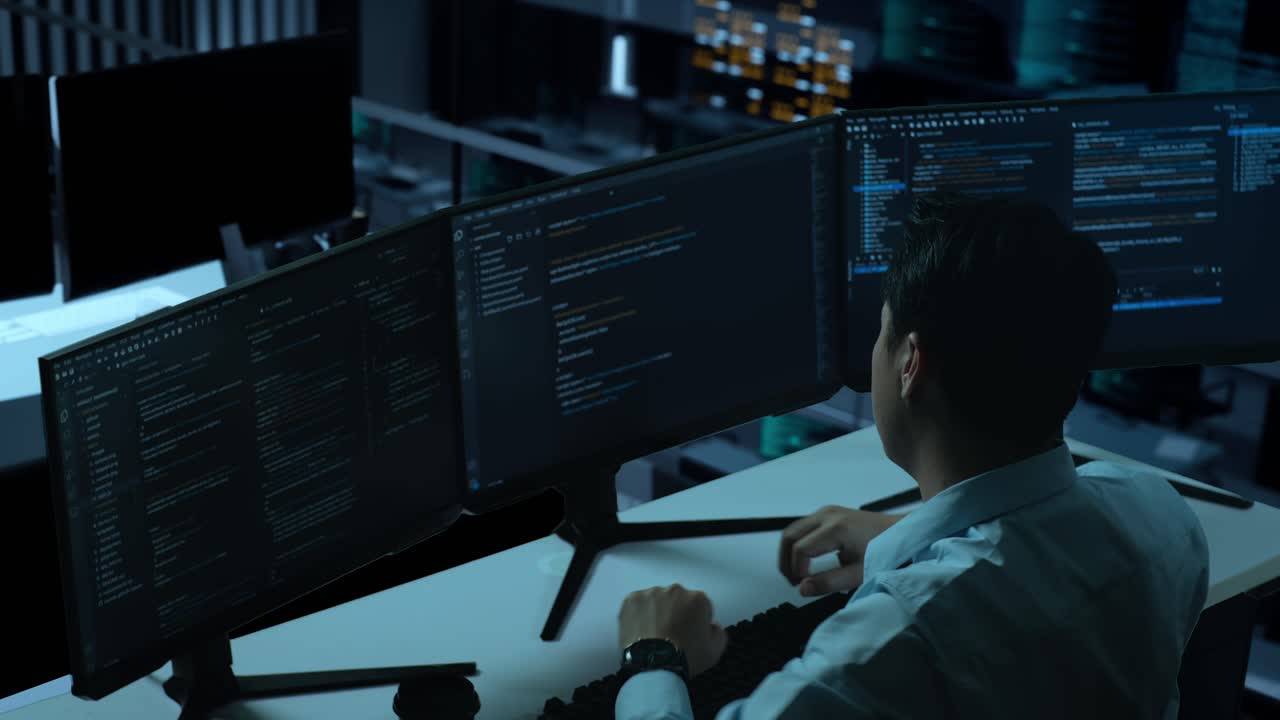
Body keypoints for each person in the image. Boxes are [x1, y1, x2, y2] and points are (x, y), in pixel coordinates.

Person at [613, 192, 1210, 719]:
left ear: (910, 363)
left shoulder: (894, 641)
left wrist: (654, 658)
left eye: (883, 330)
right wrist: (906, 541)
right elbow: (1033, 569)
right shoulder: (1158, 515)